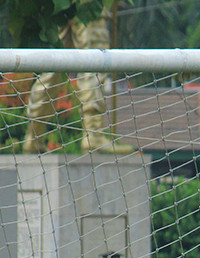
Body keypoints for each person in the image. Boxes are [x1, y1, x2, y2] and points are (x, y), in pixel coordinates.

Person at [23, 0, 134, 154]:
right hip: (87, 5)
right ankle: (93, 134)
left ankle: (33, 135)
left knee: (55, 66)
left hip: (60, 6)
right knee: (94, 61)